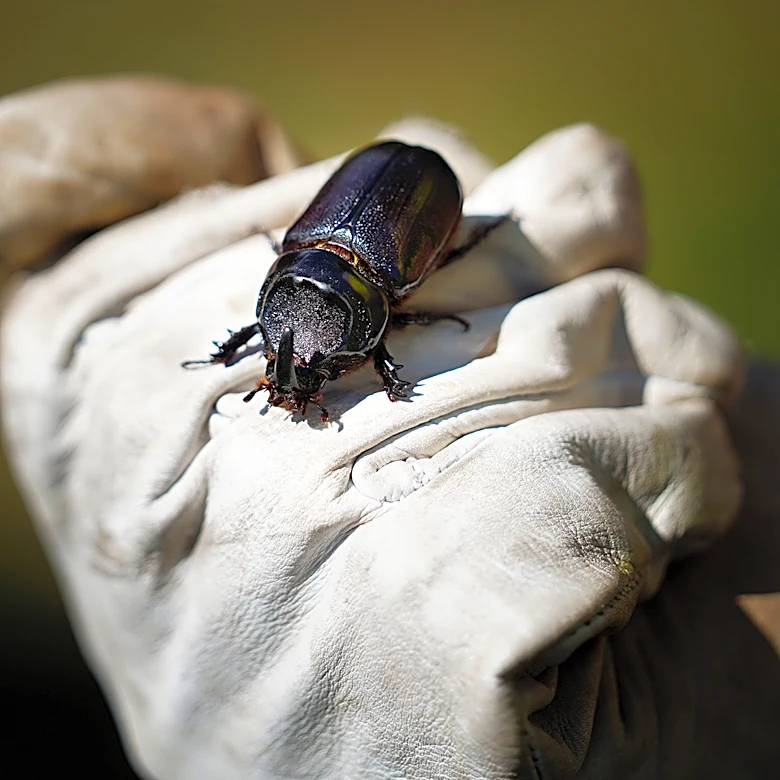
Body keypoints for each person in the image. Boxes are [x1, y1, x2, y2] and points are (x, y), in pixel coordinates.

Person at [1, 75, 777, 780]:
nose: (294, 369)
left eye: (305, 361)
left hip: (396, 208)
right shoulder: (300, 303)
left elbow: (342, 332)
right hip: (368, 217)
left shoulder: (369, 292)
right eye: (282, 351)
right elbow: (290, 330)